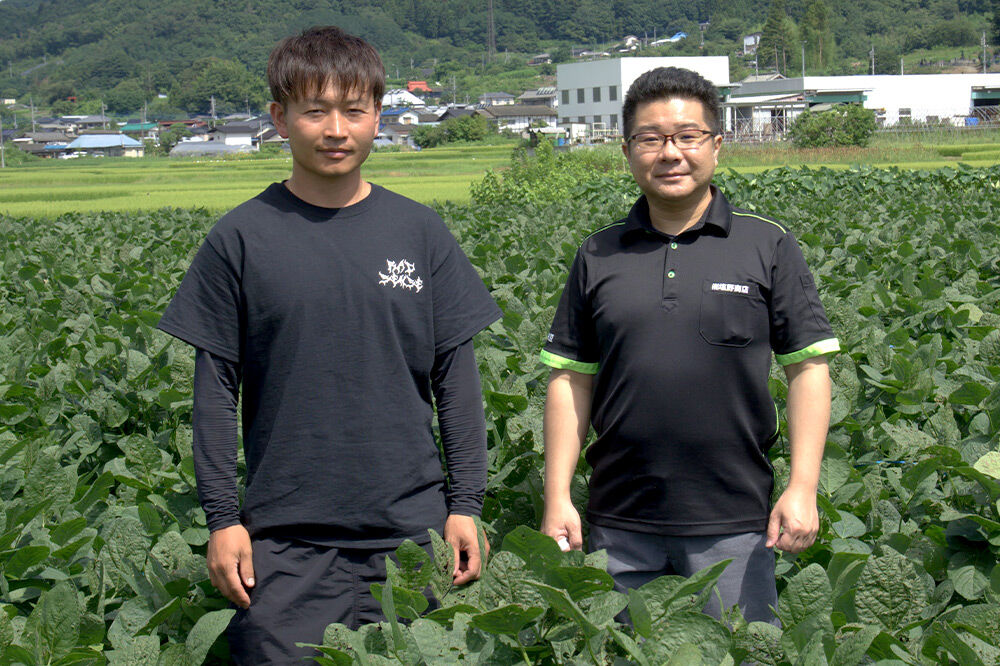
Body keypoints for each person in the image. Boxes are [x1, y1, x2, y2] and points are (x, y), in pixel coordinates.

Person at [157, 26, 501, 662]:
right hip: (284, 542)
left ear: (378, 116)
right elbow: (212, 397)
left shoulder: (419, 232)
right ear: (280, 119)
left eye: (354, 110)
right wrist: (222, 519)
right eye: (315, 111)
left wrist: (466, 505)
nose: (336, 129)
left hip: (411, 535)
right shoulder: (240, 240)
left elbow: (456, 382)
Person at [539, 66, 839, 624]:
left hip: (735, 519)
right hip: (619, 520)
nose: (670, 153)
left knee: (738, 655)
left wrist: (803, 488)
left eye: (687, 136)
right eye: (650, 139)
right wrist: (557, 495)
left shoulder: (765, 243)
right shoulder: (598, 254)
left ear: (717, 145)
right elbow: (570, 379)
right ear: (628, 150)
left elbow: (809, 370)